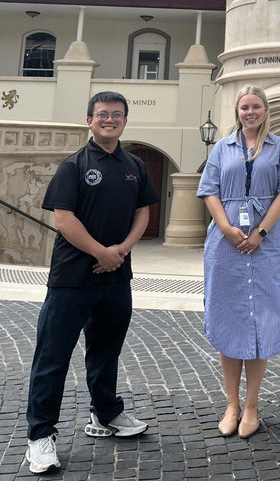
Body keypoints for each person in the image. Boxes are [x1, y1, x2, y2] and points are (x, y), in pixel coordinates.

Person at [25, 91, 159, 474]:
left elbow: (143, 212)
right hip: (72, 278)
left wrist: (121, 251)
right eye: (102, 114)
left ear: (125, 121)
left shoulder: (134, 165)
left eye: (117, 114)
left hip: (116, 277)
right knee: (52, 357)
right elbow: (64, 219)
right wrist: (101, 252)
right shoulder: (73, 166)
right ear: (90, 120)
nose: (109, 120)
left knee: (105, 351)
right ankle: (40, 435)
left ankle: (105, 414)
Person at [197, 84, 280, 439]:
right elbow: (209, 191)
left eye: (256, 106)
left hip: (263, 244)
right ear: (237, 112)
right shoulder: (222, 147)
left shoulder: (279, 147)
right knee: (229, 318)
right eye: (244, 107)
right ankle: (231, 405)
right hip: (225, 242)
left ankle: (252, 405)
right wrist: (226, 228)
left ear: (265, 109)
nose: (250, 112)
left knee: (260, 320)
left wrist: (261, 232)